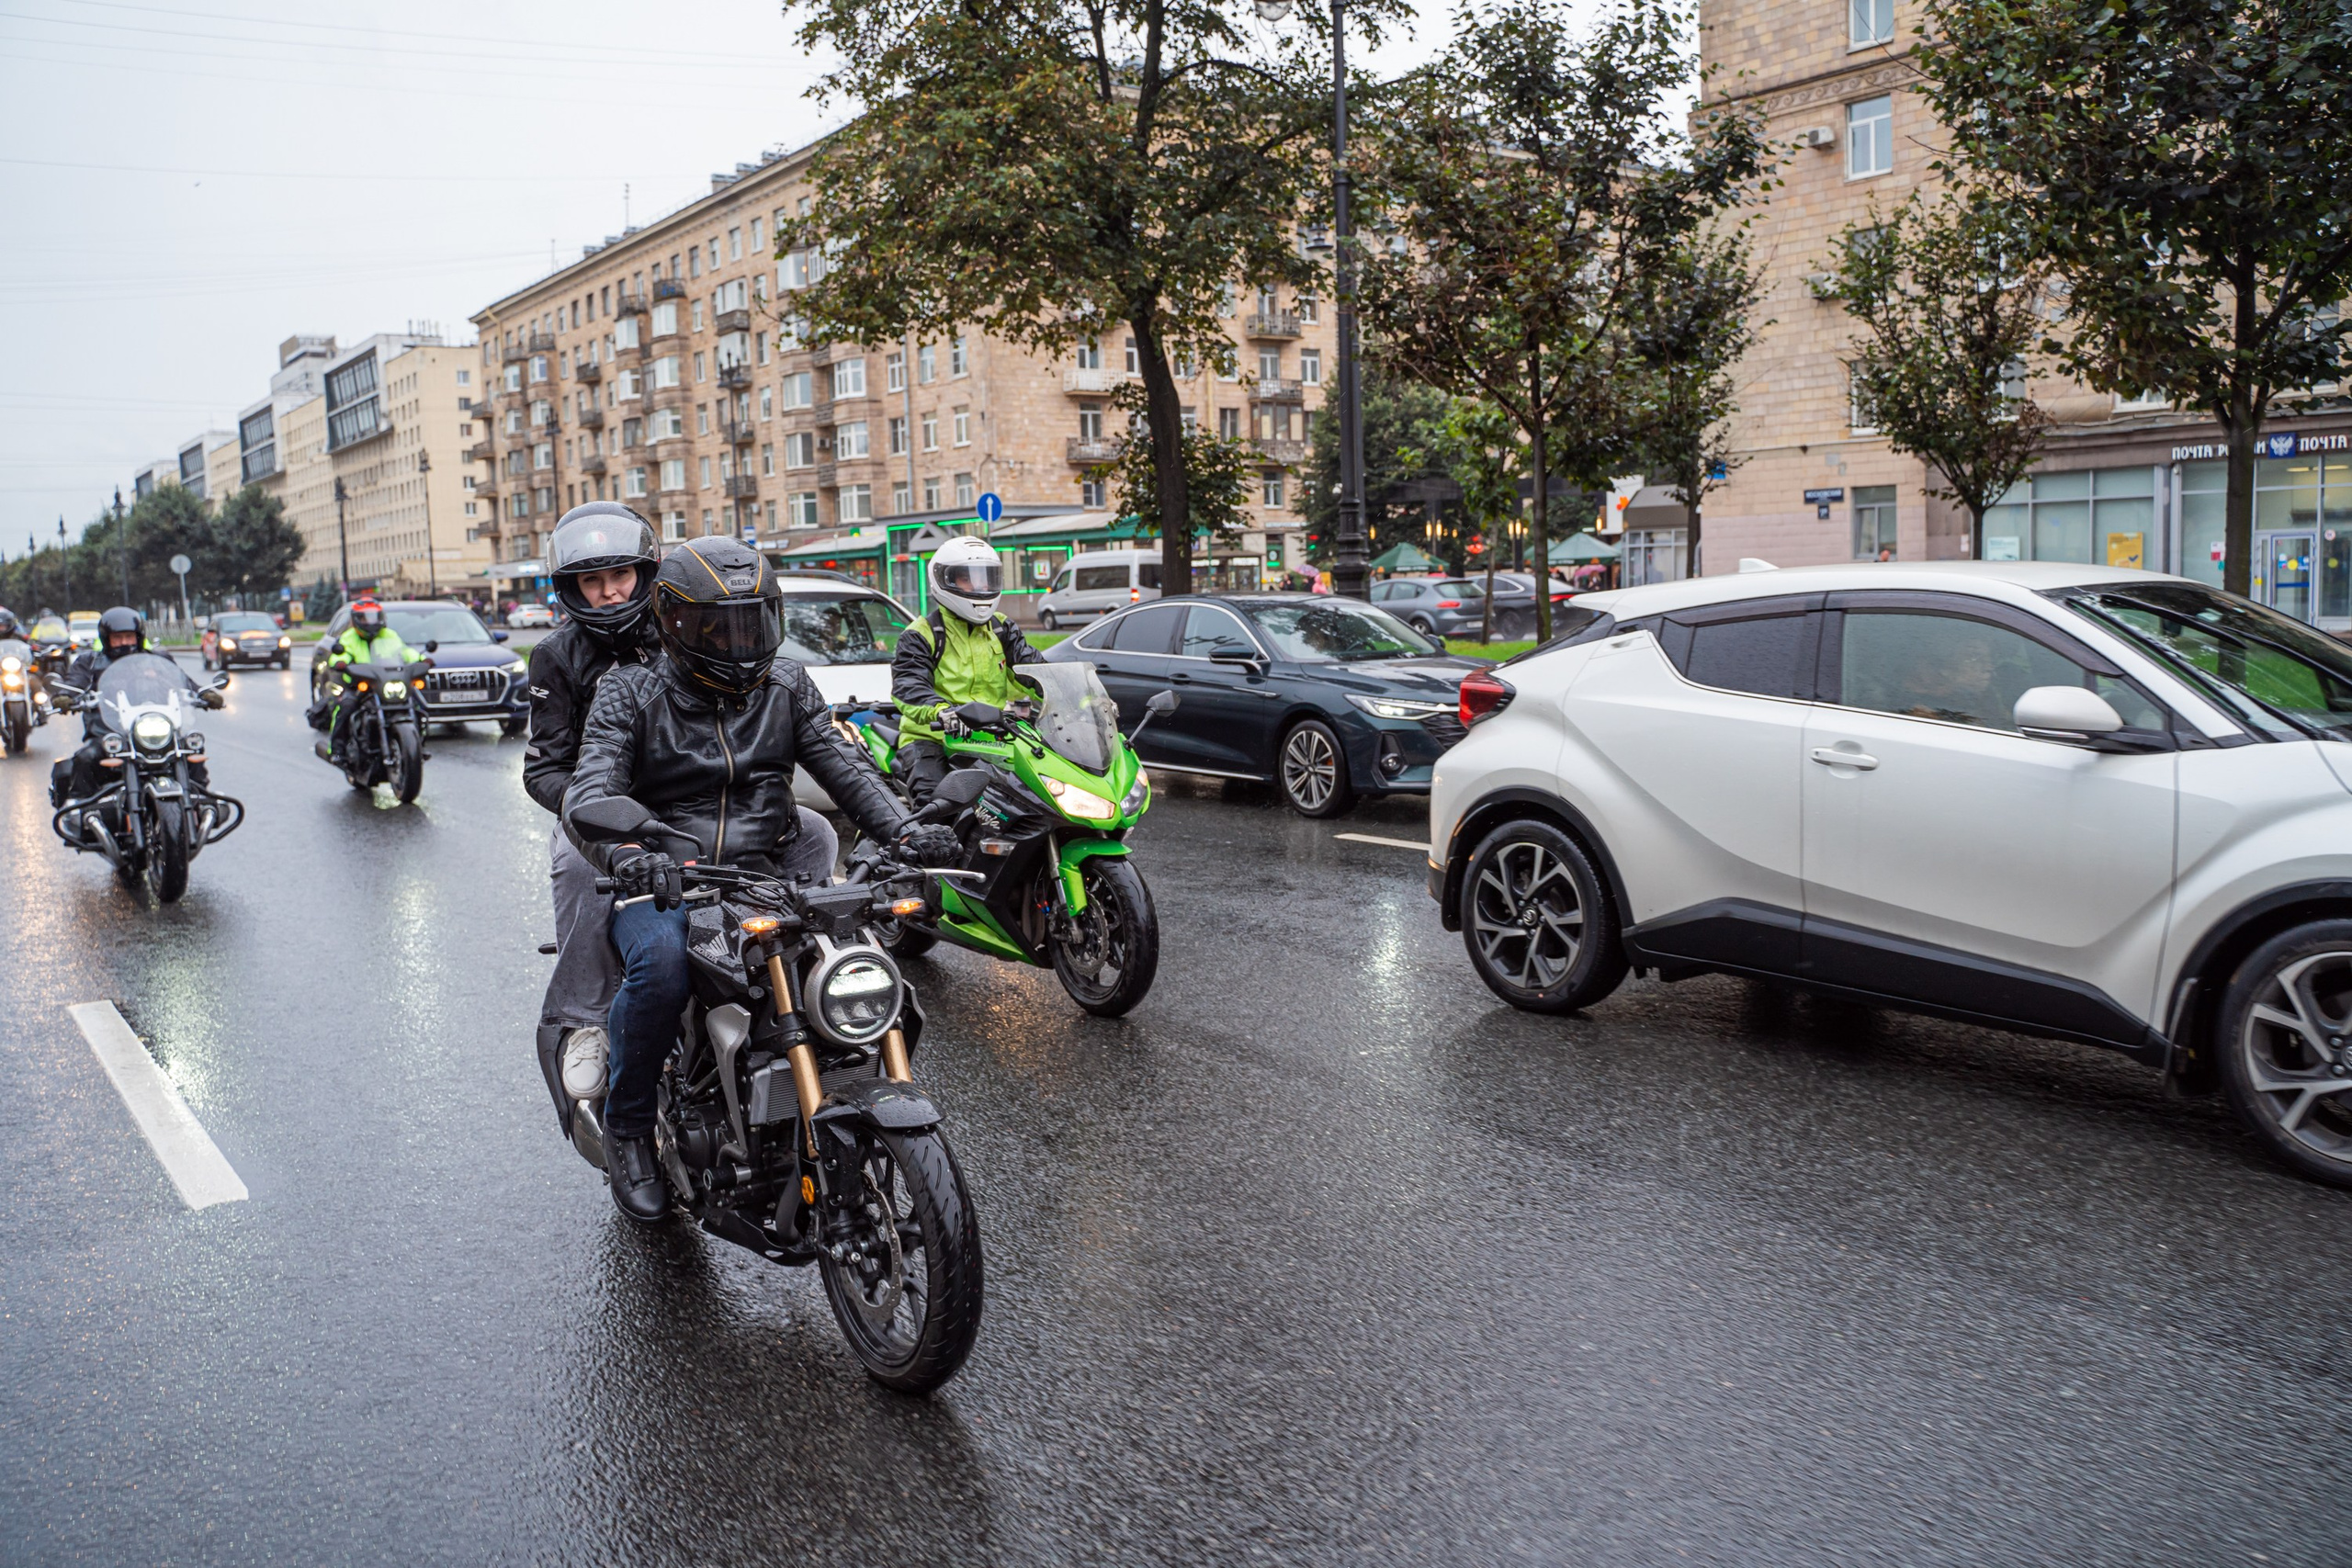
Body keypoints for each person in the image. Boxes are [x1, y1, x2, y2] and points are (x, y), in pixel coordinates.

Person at [563, 536, 958, 1222]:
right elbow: (589, 786)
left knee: (851, 958)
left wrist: (905, 829)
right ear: (676, 624)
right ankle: (628, 1128)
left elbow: (846, 766)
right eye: (722, 626)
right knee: (659, 966)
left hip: (765, 873)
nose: (742, 642)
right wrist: (630, 851)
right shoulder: (628, 691)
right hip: (667, 875)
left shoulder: (787, 684)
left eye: (754, 622)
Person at [889, 536, 1045, 805]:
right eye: (968, 579)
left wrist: (1081, 700)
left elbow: (1035, 671)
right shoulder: (921, 634)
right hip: (933, 738)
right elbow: (909, 687)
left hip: (994, 738)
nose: (979, 587)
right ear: (944, 580)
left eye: (986, 579)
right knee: (936, 804)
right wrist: (943, 712)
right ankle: (921, 843)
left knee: (1036, 798)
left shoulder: (1001, 628)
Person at [49, 606, 220, 817]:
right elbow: (73, 683)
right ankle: (80, 809)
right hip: (109, 732)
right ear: (106, 639)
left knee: (189, 748)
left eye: (129, 637)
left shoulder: (157, 659)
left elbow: (184, 682)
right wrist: (65, 696)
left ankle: (200, 799)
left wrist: (204, 694)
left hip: (154, 728)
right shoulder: (90, 662)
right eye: (117, 638)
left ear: (138, 637)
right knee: (86, 757)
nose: (124, 643)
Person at [321, 598, 417, 763]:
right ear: (356, 619)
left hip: (385, 682)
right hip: (359, 685)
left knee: (414, 703)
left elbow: (405, 651)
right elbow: (340, 654)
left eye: (374, 617)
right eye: (365, 618)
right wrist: (340, 661)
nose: (370, 622)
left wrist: (421, 659)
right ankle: (337, 750)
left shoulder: (389, 635)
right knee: (346, 707)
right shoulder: (348, 637)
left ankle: (416, 747)